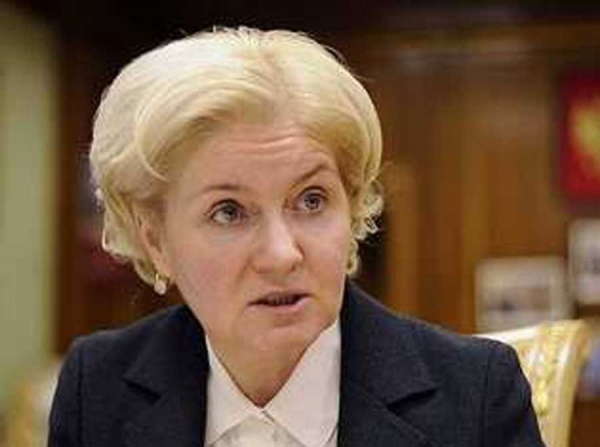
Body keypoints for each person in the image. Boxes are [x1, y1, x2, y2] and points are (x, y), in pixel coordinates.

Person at [49, 27, 545, 447]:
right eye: (229, 212)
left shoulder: (476, 395)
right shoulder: (98, 386)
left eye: (311, 200)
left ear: (352, 207)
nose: (282, 254)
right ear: (156, 241)